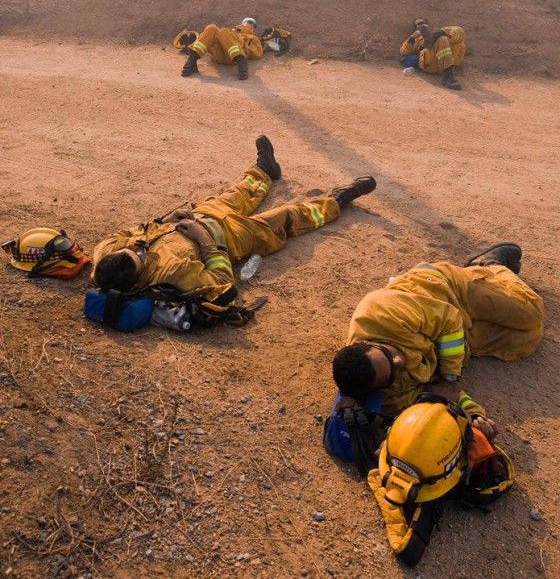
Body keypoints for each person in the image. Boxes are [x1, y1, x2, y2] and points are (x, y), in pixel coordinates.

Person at [93, 136, 377, 311]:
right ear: (138, 279)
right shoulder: (172, 274)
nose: (140, 250)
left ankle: (265, 170)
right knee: (284, 218)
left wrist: (163, 220)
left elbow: (125, 234)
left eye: (134, 249)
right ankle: (338, 201)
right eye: (140, 257)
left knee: (239, 191)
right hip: (231, 238)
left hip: (203, 213)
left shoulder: (107, 252)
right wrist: (205, 242)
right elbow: (222, 283)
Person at [332, 243, 544, 433]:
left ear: (365, 343)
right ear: (380, 388)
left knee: (531, 312)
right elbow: (437, 396)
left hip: (447, 290)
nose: (399, 363)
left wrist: (450, 377)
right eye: (393, 373)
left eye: (388, 354)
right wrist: (473, 416)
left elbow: (450, 319)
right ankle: (494, 285)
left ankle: (491, 265)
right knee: (528, 340)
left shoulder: (380, 311)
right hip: (456, 333)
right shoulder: (392, 395)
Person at [181, 17, 263, 80]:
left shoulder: (253, 37)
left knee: (223, 31)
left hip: (234, 57)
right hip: (218, 55)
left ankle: (242, 63)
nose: (249, 23)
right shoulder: (232, 32)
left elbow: (258, 53)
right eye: (247, 22)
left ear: (253, 27)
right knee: (211, 28)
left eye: (251, 23)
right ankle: (191, 62)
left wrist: (246, 48)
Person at [399, 18, 466, 91]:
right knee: (442, 39)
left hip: (448, 61)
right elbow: (404, 51)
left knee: (459, 31)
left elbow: (459, 32)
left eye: (422, 23)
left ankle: (433, 36)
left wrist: (437, 34)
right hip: (429, 64)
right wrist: (412, 38)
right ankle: (447, 78)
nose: (420, 26)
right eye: (418, 25)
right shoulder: (417, 39)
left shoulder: (442, 32)